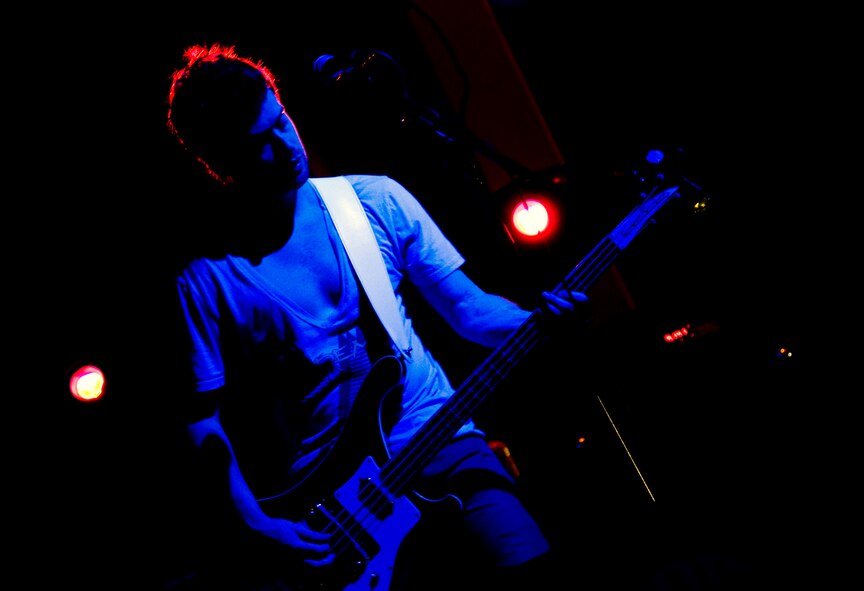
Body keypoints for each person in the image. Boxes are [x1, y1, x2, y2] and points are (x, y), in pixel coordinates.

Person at [165, 43, 590, 591]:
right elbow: (199, 420)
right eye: (258, 144)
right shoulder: (206, 277)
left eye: (281, 121)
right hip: (333, 509)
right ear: (219, 162)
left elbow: (468, 310)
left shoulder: (374, 202)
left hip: (441, 437)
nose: (285, 145)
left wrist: (535, 322)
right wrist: (257, 523)